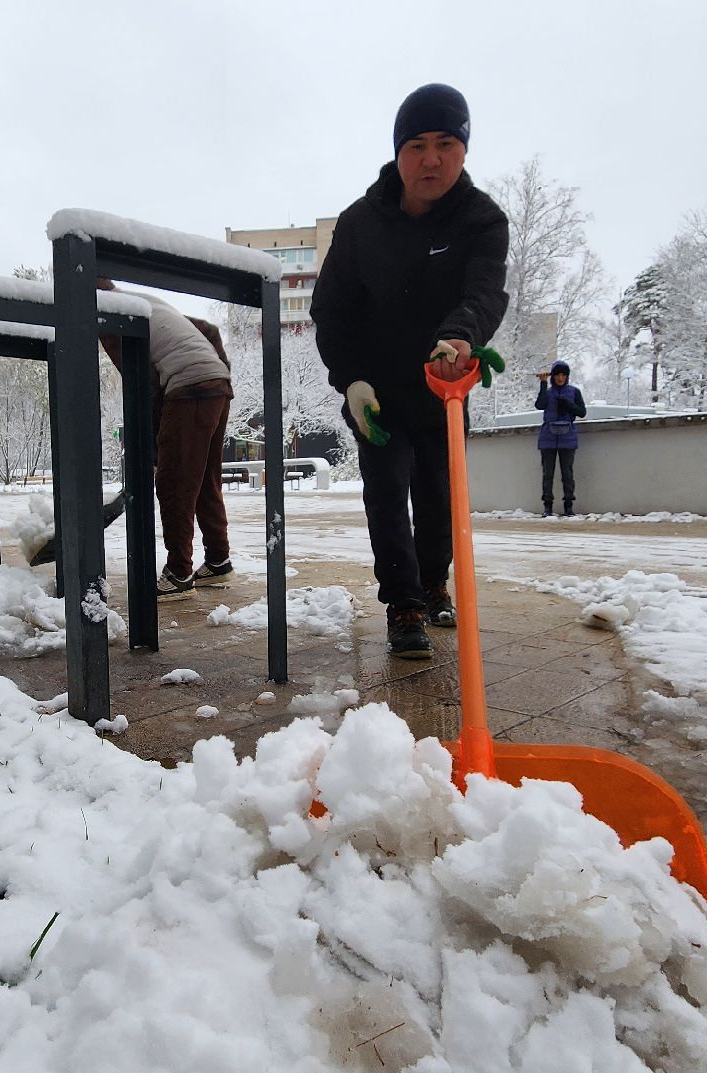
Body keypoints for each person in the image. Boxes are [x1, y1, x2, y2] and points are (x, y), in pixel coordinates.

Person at [310, 83, 509, 659]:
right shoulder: (359, 224)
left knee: (441, 493)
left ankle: (432, 582)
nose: (431, 158)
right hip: (375, 391)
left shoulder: (481, 220)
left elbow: (483, 292)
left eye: (446, 143)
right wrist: (350, 380)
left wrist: (460, 336)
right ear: (398, 153)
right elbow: (331, 310)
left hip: (442, 382)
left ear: (464, 150)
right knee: (388, 488)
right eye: (417, 144)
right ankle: (403, 604)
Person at [97, 283, 234, 599]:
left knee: (174, 484)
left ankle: (179, 573)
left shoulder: (109, 317)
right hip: (216, 386)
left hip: (189, 390)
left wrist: (152, 441)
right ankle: (217, 560)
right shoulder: (145, 302)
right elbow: (209, 329)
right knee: (203, 480)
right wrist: (218, 373)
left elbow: (141, 381)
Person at [534, 360, 587, 516]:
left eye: (564, 375)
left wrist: (569, 406)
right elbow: (540, 404)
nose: (560, 378)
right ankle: (547, 505)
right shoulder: (548, 393)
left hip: (568, 437)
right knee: (547, 474)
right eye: (557, 374)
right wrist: (543, 385)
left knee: (567, 473)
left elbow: (582, 412)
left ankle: (569, 505)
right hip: (547, 437)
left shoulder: (574, 392)